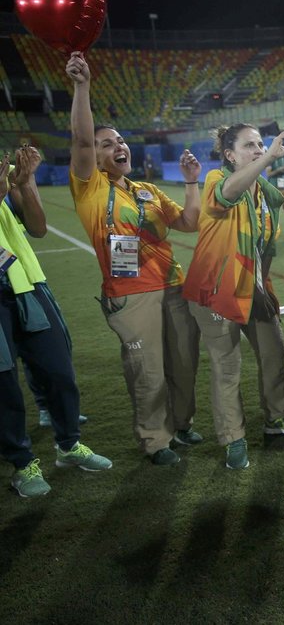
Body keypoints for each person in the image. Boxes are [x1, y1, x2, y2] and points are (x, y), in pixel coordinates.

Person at [66, 52, 202, 467]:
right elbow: (83, 142)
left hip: (173, 286)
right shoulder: (88, 188)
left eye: (120, 140)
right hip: (131, 293)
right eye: (108, 143)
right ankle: (155, 440)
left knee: (183, 363)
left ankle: (181, 424)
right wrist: (82, 86)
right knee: (148, 371)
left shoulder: (146, 189)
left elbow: (189, 222)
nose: (117, 146)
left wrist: (192, 182)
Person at [183, 125, 284, 470]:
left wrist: (264, 288)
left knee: (273, 350)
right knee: (227, 368)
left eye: (260, 144)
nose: (258, 149)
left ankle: (278, 418)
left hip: (252, 287)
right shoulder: (216, 179)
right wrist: (270, 156)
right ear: (229, 155)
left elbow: (262, 249)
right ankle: (233, 438)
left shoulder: (265, 194)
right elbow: (226, 195)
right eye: (249, 146)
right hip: (215, 291)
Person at [1, 147, 112, 498]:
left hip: (27, 285)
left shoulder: (6, 175)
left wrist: (27, 182)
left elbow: (38, 227)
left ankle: (69, 445)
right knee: (4, 385)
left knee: (59, 370)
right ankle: (22, 464)